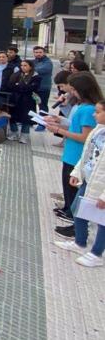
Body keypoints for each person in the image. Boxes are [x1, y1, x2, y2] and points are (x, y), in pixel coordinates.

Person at [46, 72, 102, 224]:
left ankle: (72, 216)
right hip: (70, 152)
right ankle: (67, 208)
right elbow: (75, 126)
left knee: (73, 187)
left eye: (74, 90)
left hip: (77, 154)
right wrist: (59, 121)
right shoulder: (81, 106)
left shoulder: (89, 110)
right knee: (66, 184)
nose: (71, 92)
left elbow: (85, 137)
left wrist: (59, 131)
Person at [54, 100, 105, 266]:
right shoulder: (98, 131)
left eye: (98, 112)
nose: (93, 114)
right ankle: (80, 242)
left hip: (101, 186)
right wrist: (77, 172)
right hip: (89, 180)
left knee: (101, 220)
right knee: (78, 209)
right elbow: (87, 155)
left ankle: (97, 254)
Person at [6, 59, 41, 143]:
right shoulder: (16, 74)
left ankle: (24, 136)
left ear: (30, 67)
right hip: (15, 99)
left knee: (26, 118)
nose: (23, 67)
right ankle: (14, 133)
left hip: (28, 100)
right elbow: (10, 85)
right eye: (21, 65)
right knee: (12, 116)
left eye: (25, 65)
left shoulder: (36, 76)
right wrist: (21, 86)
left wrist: (19, 86)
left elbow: (31, 88)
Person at [32, 45, 54, 126]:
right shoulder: (33, 62)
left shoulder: (48, 62)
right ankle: (32, 121)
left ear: (44, 53)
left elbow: (40, 70)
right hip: (34, 88)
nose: (38, 54)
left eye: (40, 52)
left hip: (43, 88)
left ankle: (42, 124)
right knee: (31, 104)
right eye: (36, 52)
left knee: (42, 106)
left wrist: (30, 69)